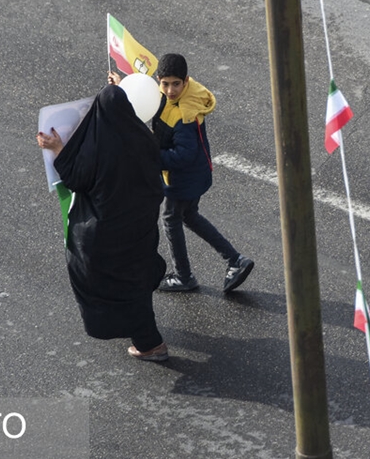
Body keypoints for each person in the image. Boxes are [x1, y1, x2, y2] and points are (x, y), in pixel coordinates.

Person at [37, 83, 169, 362]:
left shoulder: (97, 149)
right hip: (140, 228)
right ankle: (147, 339)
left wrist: (58, 148)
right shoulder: (144, 139)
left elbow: (76, 178)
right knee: (136, 280)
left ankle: (150, 344)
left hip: (108, 236)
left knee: (114, 284)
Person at [110, 54, 254, 293]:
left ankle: (184, 276)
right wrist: (121, 87)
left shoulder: (185, 115)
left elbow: (182, 156)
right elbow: (144, 99)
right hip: (193, 175)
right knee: (189, 216)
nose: (170, 90)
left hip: (184, 179)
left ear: (186, 81)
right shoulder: (167, 95)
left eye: (176, 84)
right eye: (165, 84)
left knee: (171, 219)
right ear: (158, 80)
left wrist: (150, 156)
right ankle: (235, 260)